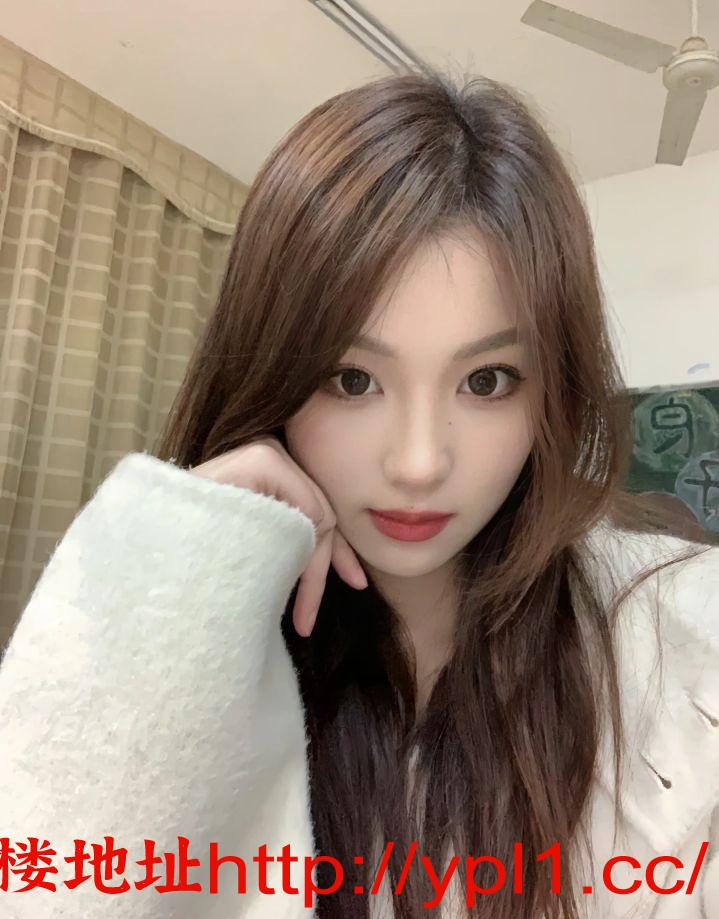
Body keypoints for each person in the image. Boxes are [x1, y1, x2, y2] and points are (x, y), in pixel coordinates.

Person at [0, 71, 717, 919]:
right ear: (268, 375)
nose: (417, 462)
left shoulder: (680, 641)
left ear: (552, 390)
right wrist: (177, 570)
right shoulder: (209, 640)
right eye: (350, 378)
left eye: (486, 380)